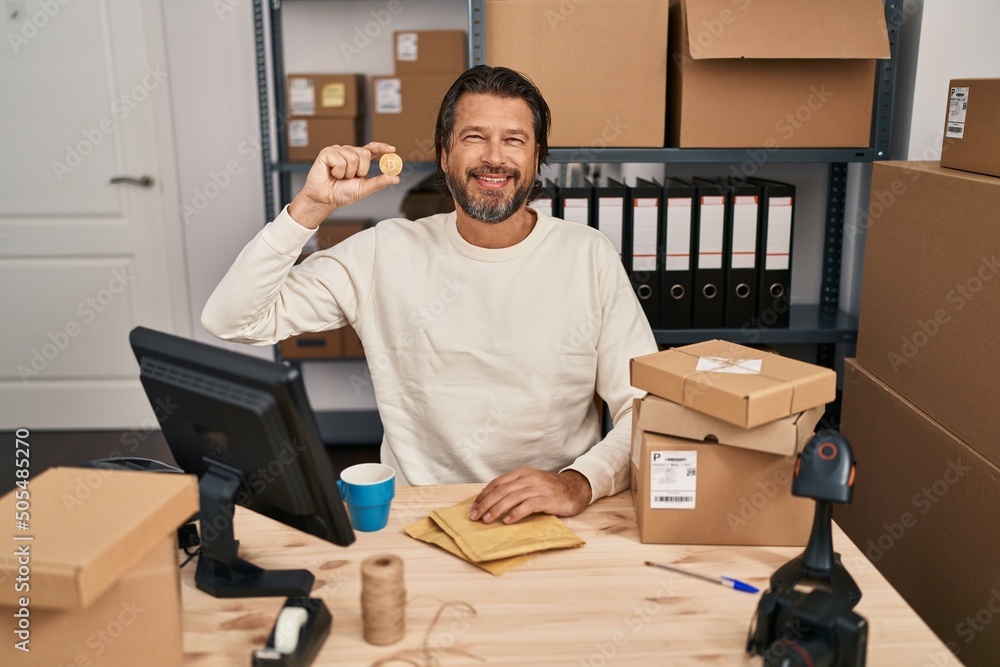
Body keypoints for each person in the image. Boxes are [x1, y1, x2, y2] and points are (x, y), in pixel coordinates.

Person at [202, 65, 657, 525]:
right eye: (474, 137)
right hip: (416, 514)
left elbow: (645, 405)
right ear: (444, 153)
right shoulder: (384, 251)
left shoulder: (588, 256)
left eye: (514, 140)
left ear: (537, 157)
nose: (494, 158)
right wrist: (309, 209)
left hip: (551, 514)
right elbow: (233, 320)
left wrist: (579, 482)